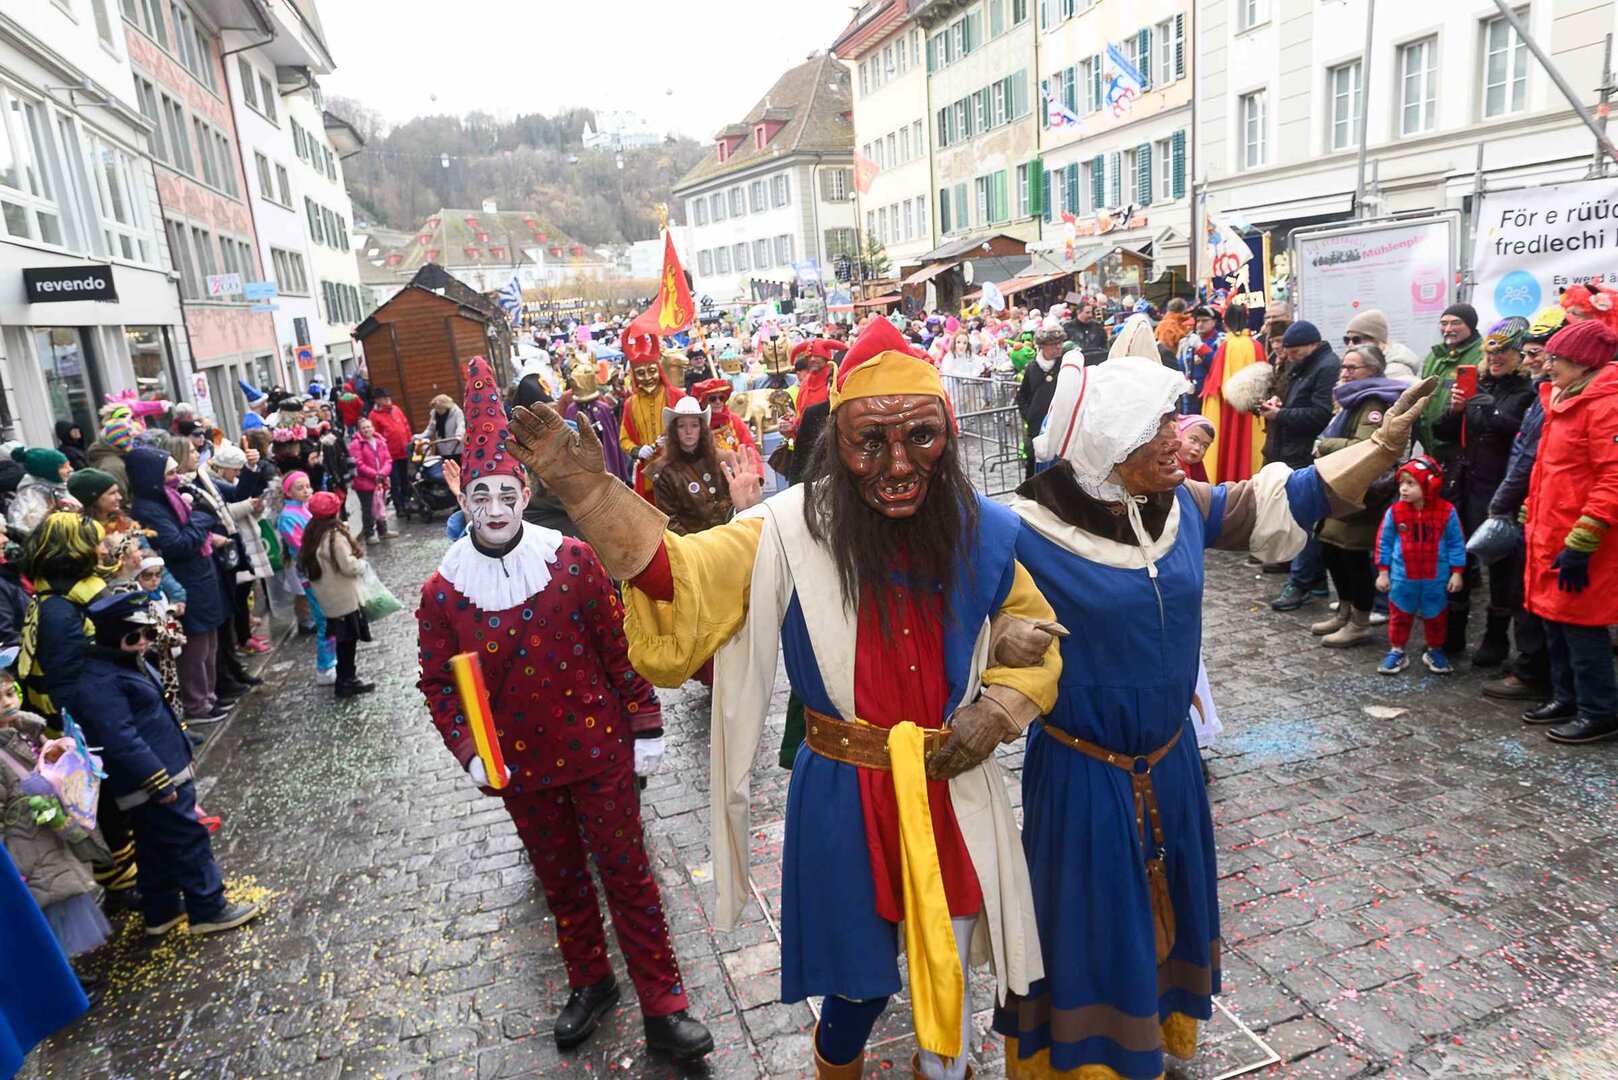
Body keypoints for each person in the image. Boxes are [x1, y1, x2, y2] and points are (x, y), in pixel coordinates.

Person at [507, 318, 1063, 1080]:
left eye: (921, 438)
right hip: (847, 793)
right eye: (872, 442)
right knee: (856, 991)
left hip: (951, 782)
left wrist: (999, 704)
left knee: (956, 969)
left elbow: (1035, 632)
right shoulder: (788, 529)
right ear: (838, 443)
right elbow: (678, 576)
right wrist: (590, 493)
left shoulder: (981, 528)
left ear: (949, 435)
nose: (899, 465)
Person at [998, 329, 1434, 1079]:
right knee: (1090, 924)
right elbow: (935, 596)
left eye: (1174, 420)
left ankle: (1154, 1039)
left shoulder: (1182, 506)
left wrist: (1380, 447)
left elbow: (1290, 496)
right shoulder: (1019, 530)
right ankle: (1085, 1063)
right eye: (1157, 428)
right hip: (1082, 777)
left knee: (1166, 911)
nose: (1181, 439)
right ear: (1107, 444)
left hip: (1170, 765)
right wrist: (995, 636)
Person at [416, 357, 713, 1061]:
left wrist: (644, 722)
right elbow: (438, 686)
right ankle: (590, 980)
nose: (494, 507)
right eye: (481, 494)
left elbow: (620, 648)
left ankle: (664, 1004)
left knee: (629, 876)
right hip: (521, 768)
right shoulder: (442, 593)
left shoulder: (573, 560)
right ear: (463, 496)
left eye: (506, 492)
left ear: (526, 493)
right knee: (562, 883)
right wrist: (470, 753)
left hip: (599, 752)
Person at [76, 591, 262, 936]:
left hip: (163, 768)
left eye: (149, 634)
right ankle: (208, 907)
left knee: (154, 845)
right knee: (188, 839)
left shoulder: (123, 661)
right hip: (154, 779)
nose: (144, 642)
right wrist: (157, 779)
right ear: (113, 636)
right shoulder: (101, 679)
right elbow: (121, 738)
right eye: (135, 636)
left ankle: (160, 911)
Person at [1517, 319, 1618, 745]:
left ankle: (1599, 711)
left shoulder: (1606, 405)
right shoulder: (1564, 396)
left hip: (1583, 539)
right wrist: (1532, 507)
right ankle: (1566, 697)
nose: (1546, 364)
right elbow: (1552, 467)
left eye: (1555, 357)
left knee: (1581, 626)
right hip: (1552, 531)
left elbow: (1612, 478)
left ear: (1583, 362)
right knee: (1554, 620)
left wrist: (1583, 539)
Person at [1431, 317, 1537, 663]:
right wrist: (1455, 410)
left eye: (1503, 352)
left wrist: (1487, 407)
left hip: (1498, 488)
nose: (1495, 358)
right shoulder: (1475, 383)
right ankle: (1453, 634)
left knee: (1501, 565)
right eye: (1490, 353)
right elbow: (1441, 432)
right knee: (1457, 558)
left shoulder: (1527, 391)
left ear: (1518, 356)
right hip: (1461, 485)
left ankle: (1495, 639)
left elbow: (1519, 433)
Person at [1481, 306, 1565, 702]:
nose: (1532, 361)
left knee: (1527, 591)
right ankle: (1546, 676)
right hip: (1531, 503)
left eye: (1536, 353)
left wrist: (1500, 503)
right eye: (1528, 353)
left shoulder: (1546, 396)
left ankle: (1536, 674)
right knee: (1527, 590)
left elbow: (1526, 457)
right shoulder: (1546, 391)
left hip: (1541, 507)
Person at [1311, 344, 1407, 648]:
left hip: (1361, 489)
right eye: (1344, 367)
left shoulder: (1374, 401)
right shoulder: (1353, 398)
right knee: (1331, 550)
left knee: (1352, 556)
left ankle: (1360, 623)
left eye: (1352, 368)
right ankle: (1344, 612)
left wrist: (1325, 446)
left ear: (1373, 371)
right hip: (1340, 485)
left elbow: (1365, 447)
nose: (1345, 373)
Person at [128, 446, 230, 725]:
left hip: (200, 575)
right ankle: (197, 703)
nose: (175, 477)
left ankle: (209, 696)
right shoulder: (150, 508)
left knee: (209, 643)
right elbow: (177, 543)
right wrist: (201, 519)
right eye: (169, 473)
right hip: (186, 579)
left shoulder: (169, 497)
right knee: (195, 648)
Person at [1262, 321, 1341, 611]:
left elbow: (1320, 415)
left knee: (1303, 517)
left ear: (1313, 345)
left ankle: (1301, 581)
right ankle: (1313, 579)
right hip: (1289, 449)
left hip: (1304, 453)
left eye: (1295, 351)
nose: (1290, 356)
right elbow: (1298, 401)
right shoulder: (1304, 364)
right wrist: (1278, 403)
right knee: (1296, 515)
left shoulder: (1325, 367)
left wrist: (1280, 414)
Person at [1374, 456, 1465, 675]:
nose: (1403, 489)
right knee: (1400, 615)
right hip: (1403, 577)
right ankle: (1397, 650)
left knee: (1436, 616)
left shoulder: (1447, 512)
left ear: (1430, 484)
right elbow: (1384, 542)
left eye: (1410, 483)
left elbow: (1456, 542)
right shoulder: (1395, 512)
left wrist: (1457, 572)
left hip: (1436, 577)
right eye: (1401, 483)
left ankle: (1435, 649)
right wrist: (1383, 572)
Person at [297, 491, 374, 698]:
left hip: (329, 599)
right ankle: (346, 680)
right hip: (344, 599)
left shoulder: (312, 534)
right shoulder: (334, 536)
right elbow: (348, 566)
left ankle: (346, 678)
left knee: (343, 642)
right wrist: (361, 565)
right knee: (347, 643)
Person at [1199, 304, 1268, 485]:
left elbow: (1217, 387)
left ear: (1225, 323)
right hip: (1253, 413)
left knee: (1228, 449)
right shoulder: (1256, 346)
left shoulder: (1226, 347)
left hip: (1227, 414)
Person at [651, 397, 738, 536]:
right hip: (689, 544)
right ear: (674, 430)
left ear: (702, 428)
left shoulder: (721, 459)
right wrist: (693, 544)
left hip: (725, 538)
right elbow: (669, 519)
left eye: (694, 425)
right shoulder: (664, 471)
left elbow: (735, 501)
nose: (688, 431)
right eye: (681, 426)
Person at [618, 330, 686, 500]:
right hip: (648, 478)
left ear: (659, 370)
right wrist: (637, 450)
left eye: (651, 371)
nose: (647, 377)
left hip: (679, 472)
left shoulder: (677, 396)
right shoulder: (630, 404)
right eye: (641, 373)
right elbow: (624, 439)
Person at [1416, 303, 1485, 464]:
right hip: (1430, 446)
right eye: (1443, 323)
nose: (1448, 329)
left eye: (1456, 323)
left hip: (1460, 448)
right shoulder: (1434, 356)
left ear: (1470, 325)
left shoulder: (1482, 356)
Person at [1017, 325, 1065, 481]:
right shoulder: (1032, 368)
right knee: (1034, 470)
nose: (1058, 347)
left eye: (1060, 342)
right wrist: (1029, 415)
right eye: (1053, 344)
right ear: (1042, 346)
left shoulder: (1064, 365)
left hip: (1060, 425)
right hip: (1037, 427)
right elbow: (1022, 395)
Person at [367, 387, 415, 520]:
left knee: (405, 479)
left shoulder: (396, 409)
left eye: (388, 397)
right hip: (389, 455)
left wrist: (409, 441)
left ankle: (407, 502)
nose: (388, 399)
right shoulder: (374, 415)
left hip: (403, 451)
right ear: (377, 400)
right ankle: (399, 506)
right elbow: (376, 436)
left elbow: (405, 425)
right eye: (384, 398)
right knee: (395, 482)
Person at [8, 446, 74, 537]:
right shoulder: (30, 497)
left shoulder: (62, 486)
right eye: (64, 467)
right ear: (48, 471)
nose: (71, 469)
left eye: (69, 465)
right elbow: (24, 529)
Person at [1342, 309, 1421, 383]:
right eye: (1347, 340)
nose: (1350, 345)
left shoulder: (1396, 371)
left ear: (1376, 340)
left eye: (1356, 340)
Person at [349, 417, 395, 542]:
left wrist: (382, 473)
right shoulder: (355, 444)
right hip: (364, 482)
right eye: (363, 428)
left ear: (373, 428)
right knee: (368, 508)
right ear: (359, 430)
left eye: (368, 427)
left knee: (381, 505)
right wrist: (375, 474)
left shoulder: (380, 441)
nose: (366, 430)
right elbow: (358, 463)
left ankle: (383, 530)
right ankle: (369, 533)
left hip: (380, 481)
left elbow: (388, 460)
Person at [690, 378, 759, 460]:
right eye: (712, 399)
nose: (718, 402)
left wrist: (754, 466)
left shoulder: (734, 419)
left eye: (721, 398)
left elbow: (750, 448)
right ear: (703, 402)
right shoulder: (697, 423)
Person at [418, 393, 465, 462]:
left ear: (446, 406)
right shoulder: (434, 413)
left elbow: (461, 425)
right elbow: (430, 429)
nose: (438, 411)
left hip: (455, 446)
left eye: (440, 408)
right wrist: (419, 436)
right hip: (442, 448)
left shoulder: (457, 412)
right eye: (436, 408)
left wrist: (459, 435)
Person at [1062, 296, 1108, 363]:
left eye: (1091, 312)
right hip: (1077, 362)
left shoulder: (1098, 327)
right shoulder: (1068, 327)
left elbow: (1104, 346)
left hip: (1097, 360)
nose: (1090, 315)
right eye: (1087, 313)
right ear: (1078, 312)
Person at [1174, 414, 1214, 483]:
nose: (1197, 448)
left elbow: (1204, 487)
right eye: (1193, 439)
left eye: (1204, 446)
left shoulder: (1197, 466)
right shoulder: (1165, 462)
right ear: (1178, 435)